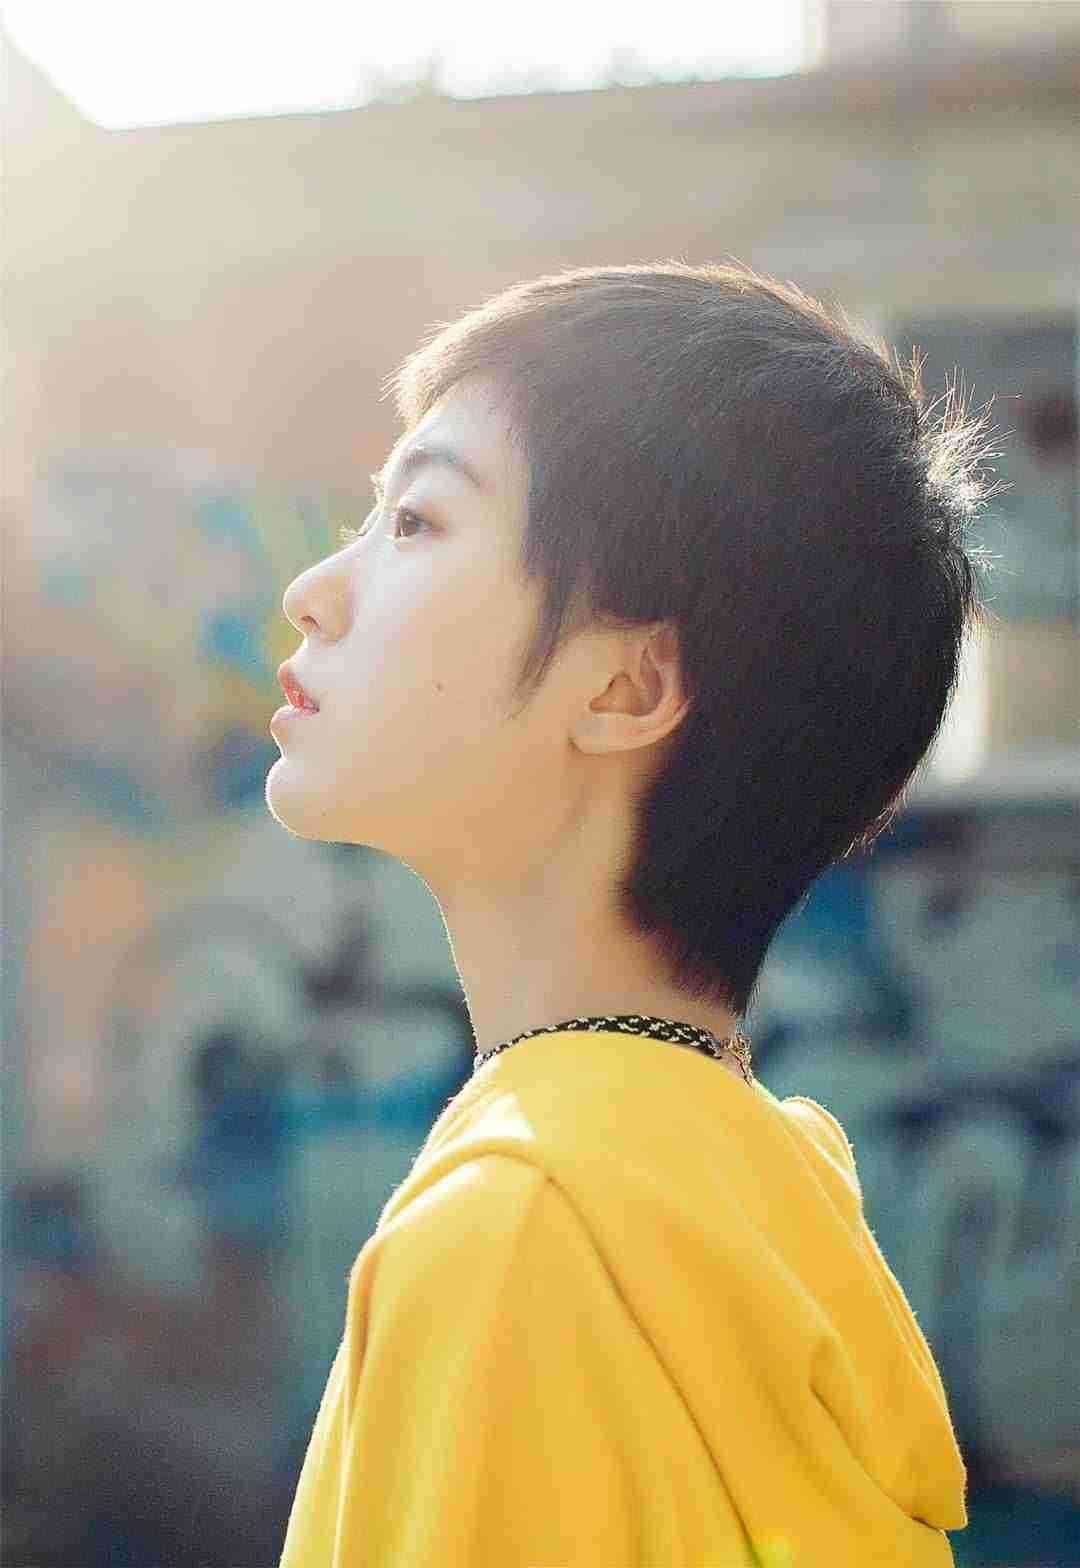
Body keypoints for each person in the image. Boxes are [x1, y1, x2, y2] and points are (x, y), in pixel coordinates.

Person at [266, 261, 995, 1566]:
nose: (315, 591)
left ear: (629, 686)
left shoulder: (517, 1235)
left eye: (417, 521)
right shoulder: (765, 1206)